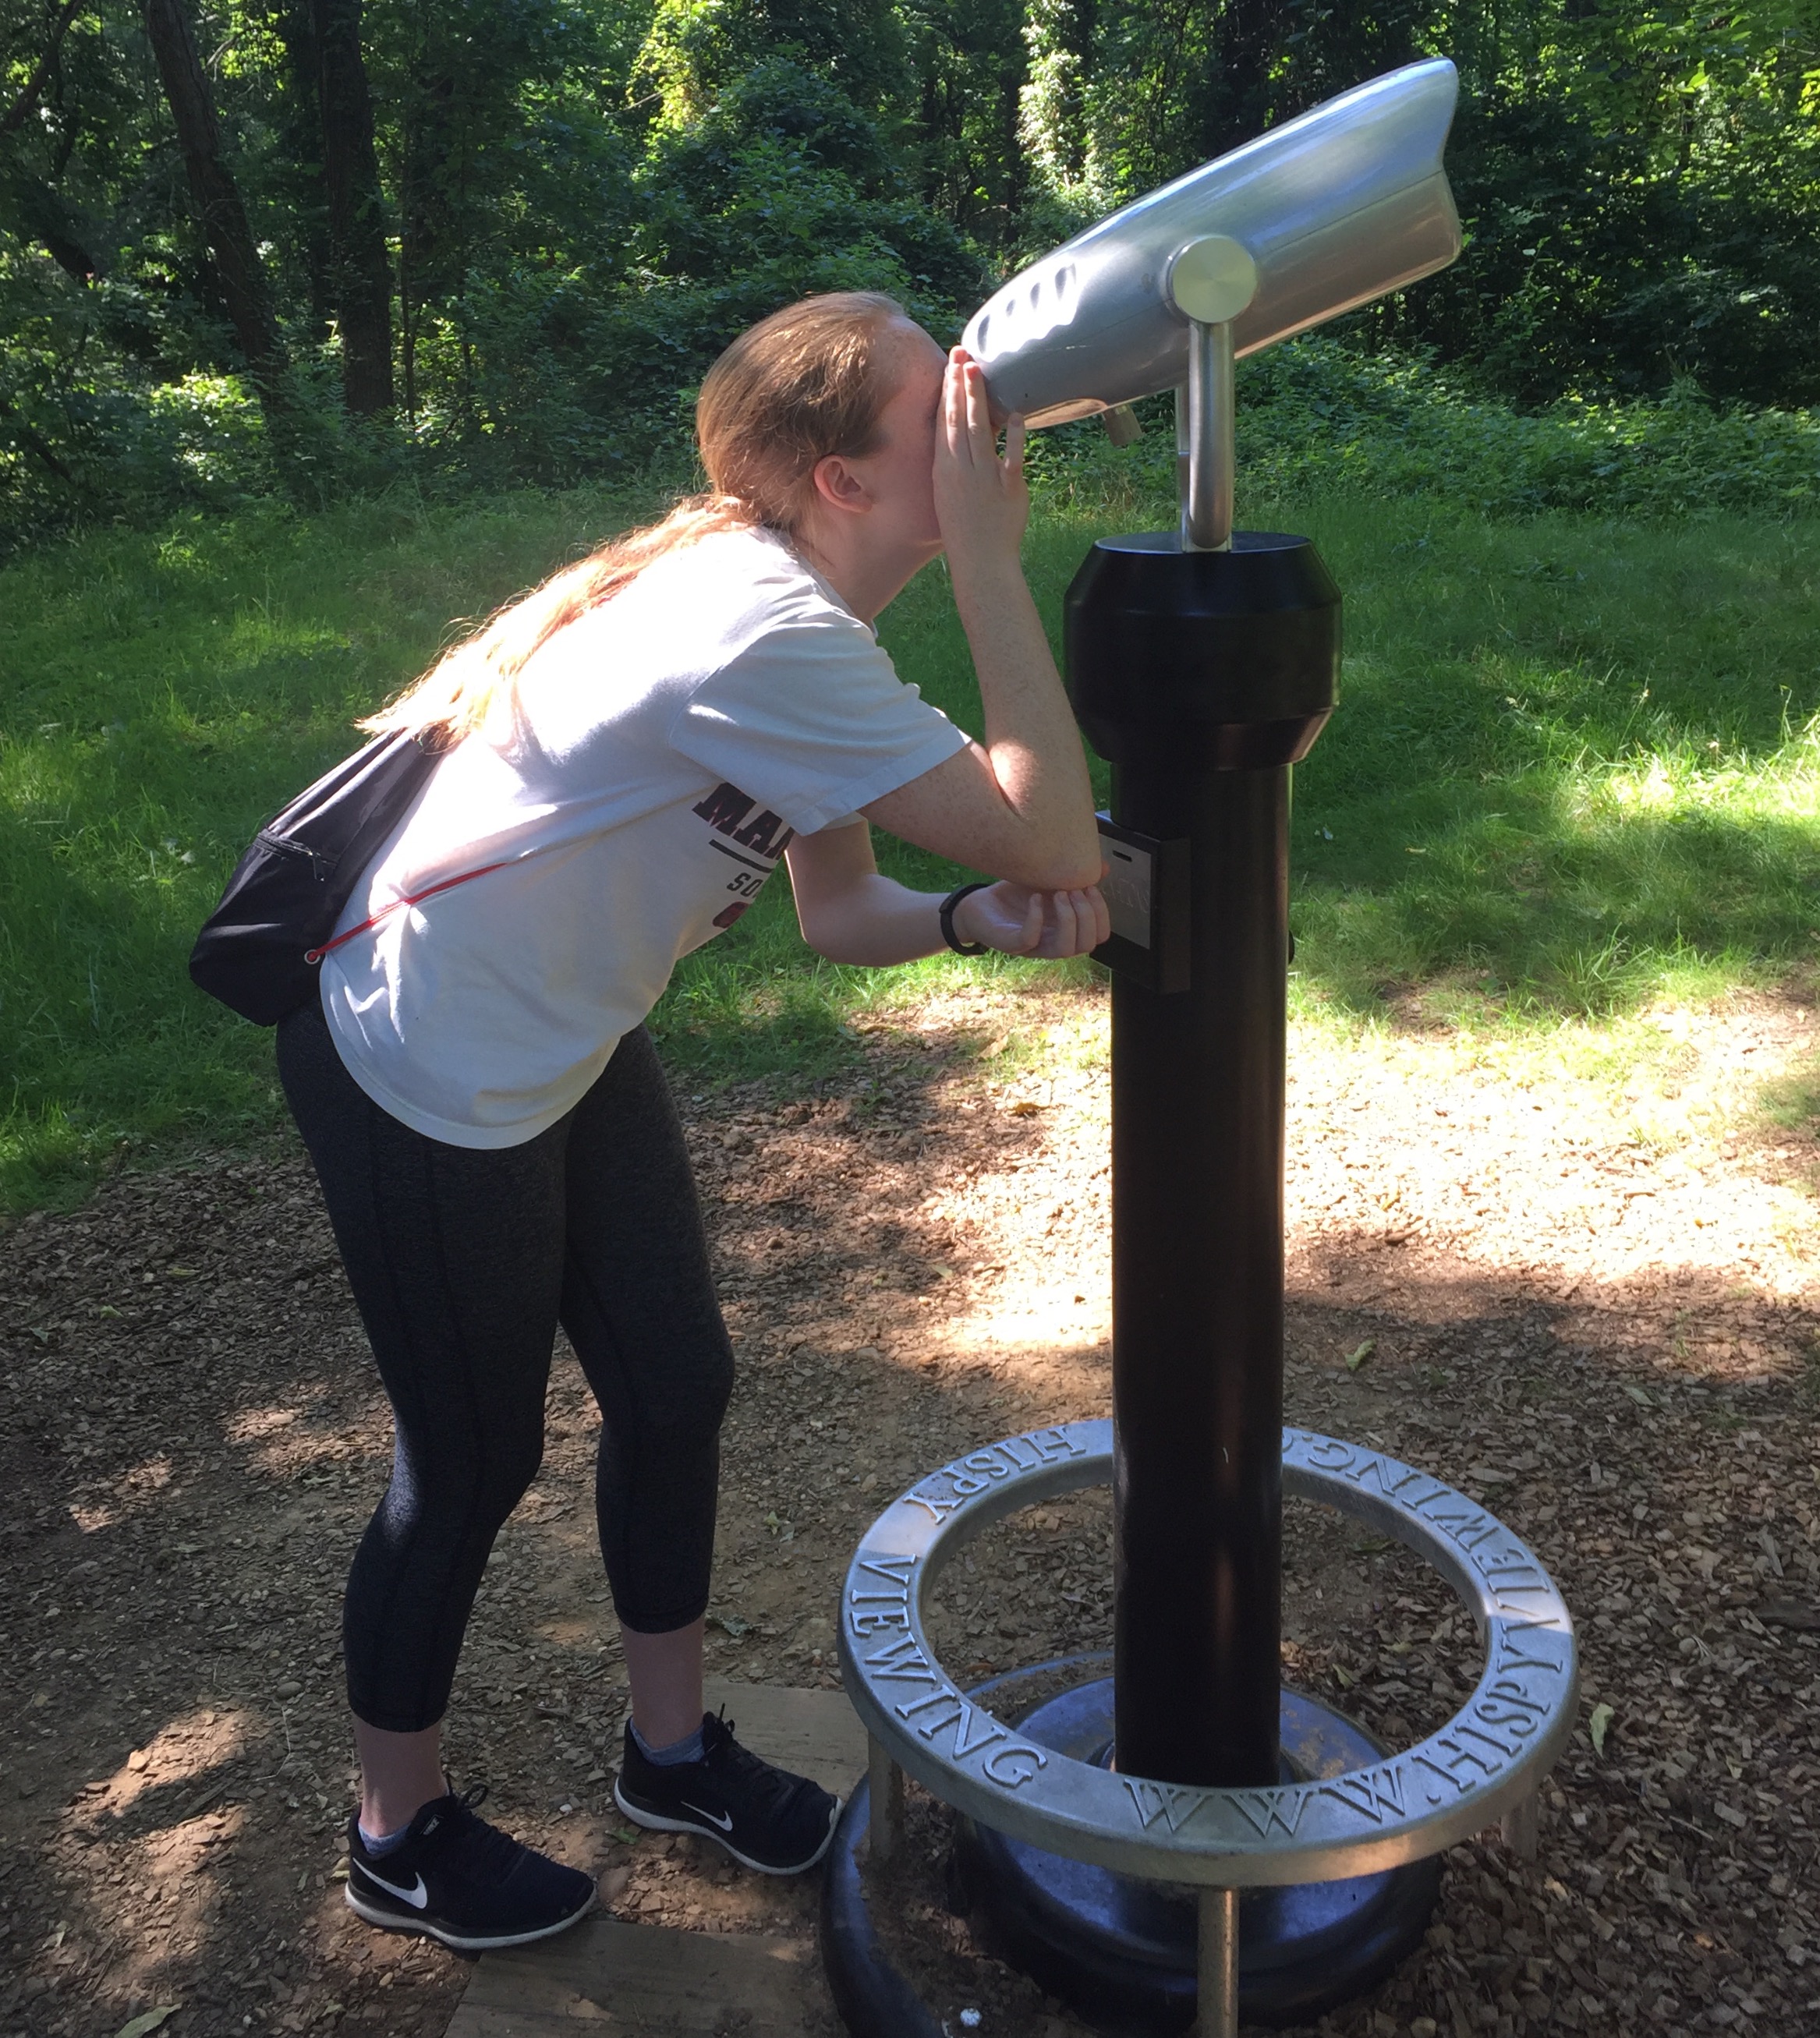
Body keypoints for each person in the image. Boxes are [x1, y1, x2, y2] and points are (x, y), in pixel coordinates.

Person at [276, 289, 1109, 1954]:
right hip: (424, 1057)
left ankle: (669, 1752)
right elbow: (1055, 834)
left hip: (562, 1037)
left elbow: (843, 910)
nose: (980, 439)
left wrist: (962, 925)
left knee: (676, 1378)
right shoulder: (760, 630)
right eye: (936, 416)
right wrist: (1006, 570)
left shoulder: (795, 621)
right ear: (837, 477)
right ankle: (397, 1830)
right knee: (472, 1456)